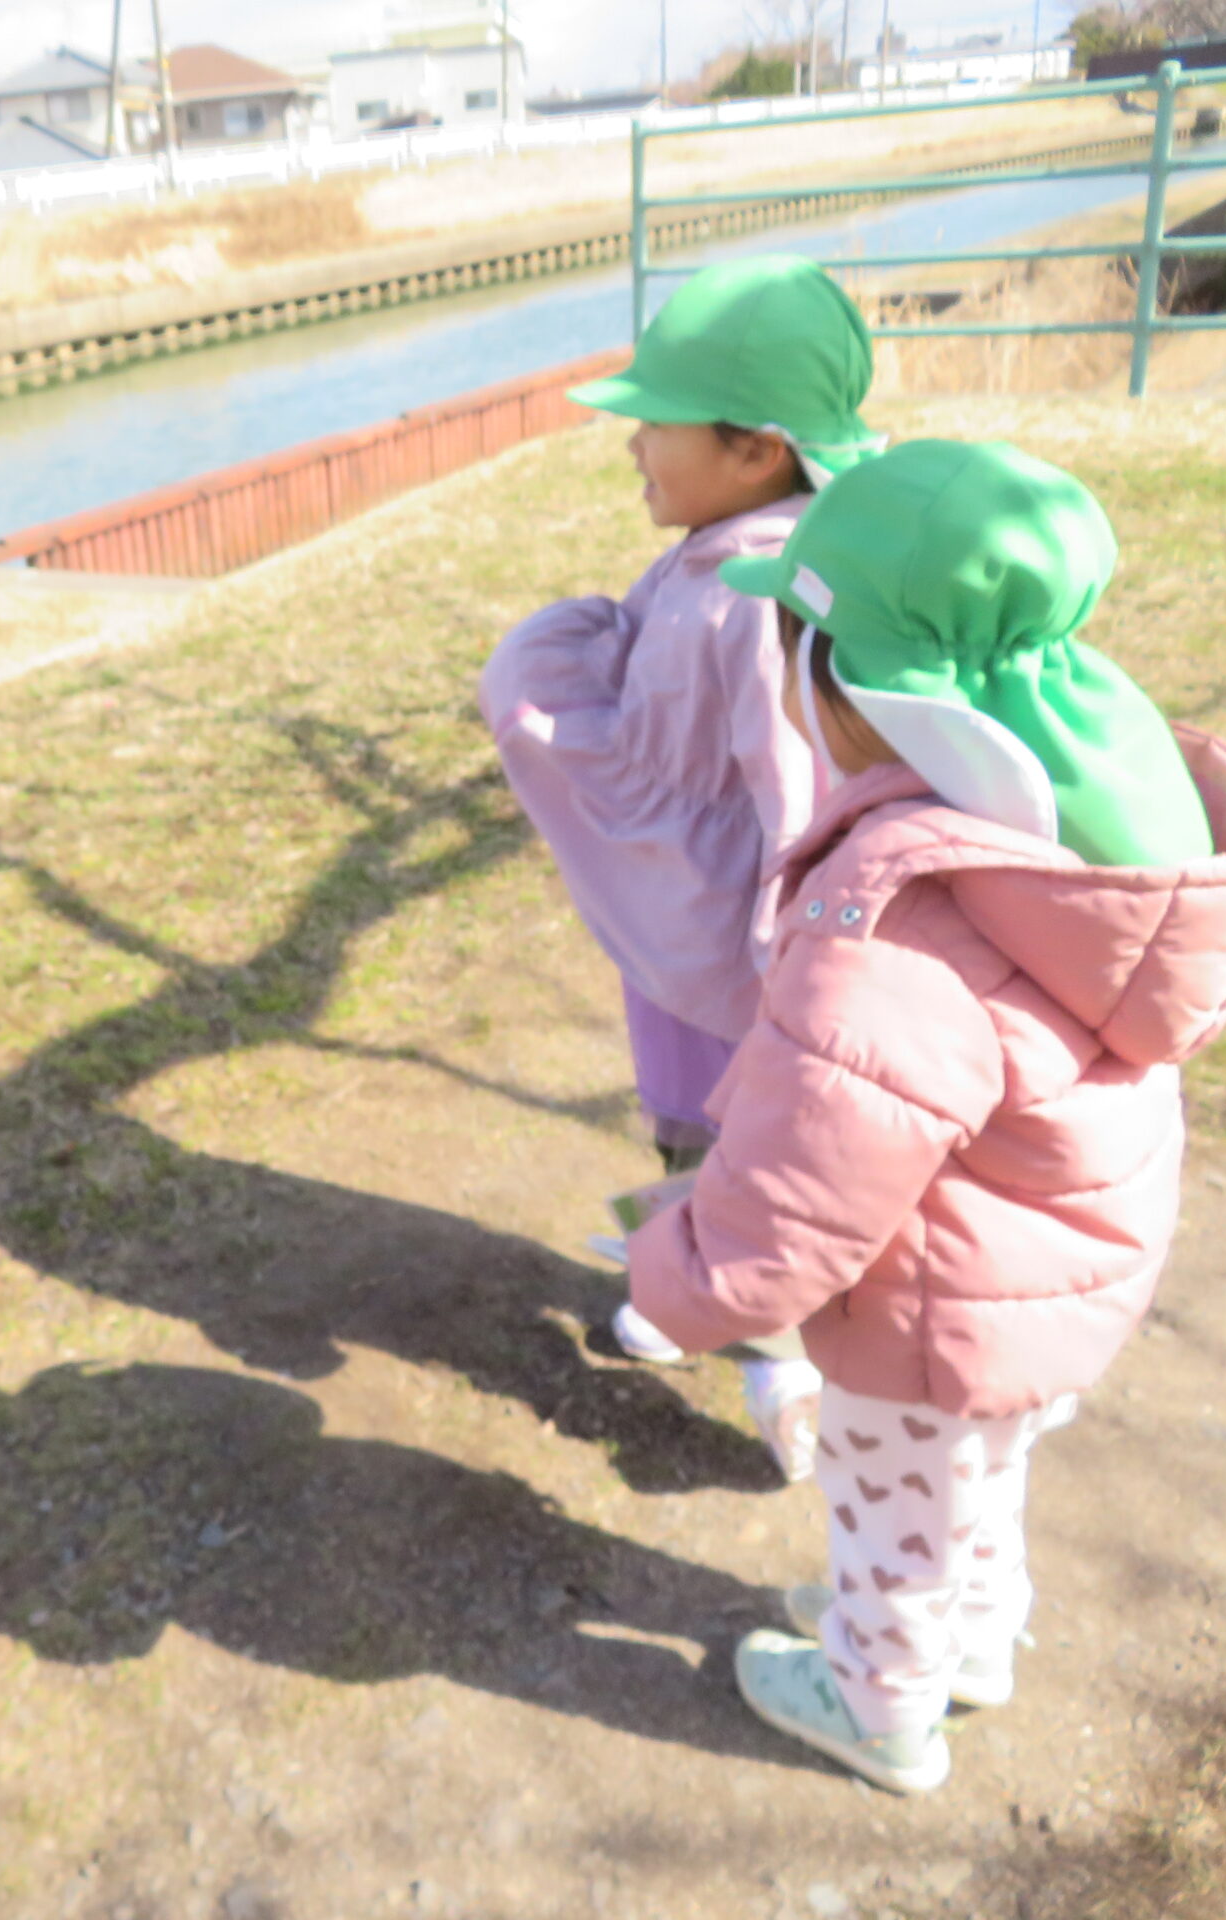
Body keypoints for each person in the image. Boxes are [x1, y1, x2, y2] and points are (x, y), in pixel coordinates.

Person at [622, 439, 1226, 1794]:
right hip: (1045, 1285)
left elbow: (807, 1178)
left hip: (935, 1307)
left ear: (867, 699)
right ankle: (976, 1646)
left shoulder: (904, 923)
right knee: (978, 1479)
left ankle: (879, 1704)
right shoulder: (1096, 838)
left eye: (801, 643)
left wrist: (680, 1283)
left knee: (890, 1517)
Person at [477, 255, 882, 1479]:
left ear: (756, 448)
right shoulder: (743, 548)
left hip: (730, 955)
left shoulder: (753, 597)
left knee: (734, 1150)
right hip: (691, 936)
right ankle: (703, 1289)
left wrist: (793, 970)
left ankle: (777, 1359)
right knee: (699, 1139)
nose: (633, 449)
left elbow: (794, 795)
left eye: (655, 426)